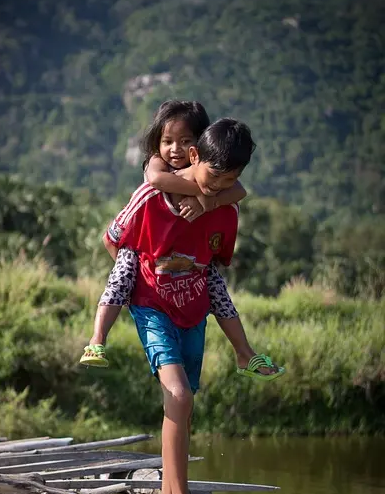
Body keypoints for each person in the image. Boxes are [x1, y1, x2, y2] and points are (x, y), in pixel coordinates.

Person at [97, 117, 265, 494]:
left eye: (229, 180)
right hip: (152, 306)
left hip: (193, 313)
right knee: (178, 393)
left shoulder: (225, 206)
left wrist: (212, 201)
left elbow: (214, 266)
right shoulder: (152, 196)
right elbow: (114, 238)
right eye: (214, 176)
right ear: (194, 157)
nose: (218, 185)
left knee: (182, 409)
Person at [80, 100, 284, 381]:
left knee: (217, 288)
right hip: (143, 246)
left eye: (184, 140)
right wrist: (203, 194)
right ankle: (97, 339)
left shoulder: (213, 173)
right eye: (167, 141)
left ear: (198, 145)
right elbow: (156, 181)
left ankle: (244, 352)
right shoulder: (157, 163)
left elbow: (239, 190)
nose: (174, 149)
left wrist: (207, 202)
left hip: (187, 260)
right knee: (122, 274)